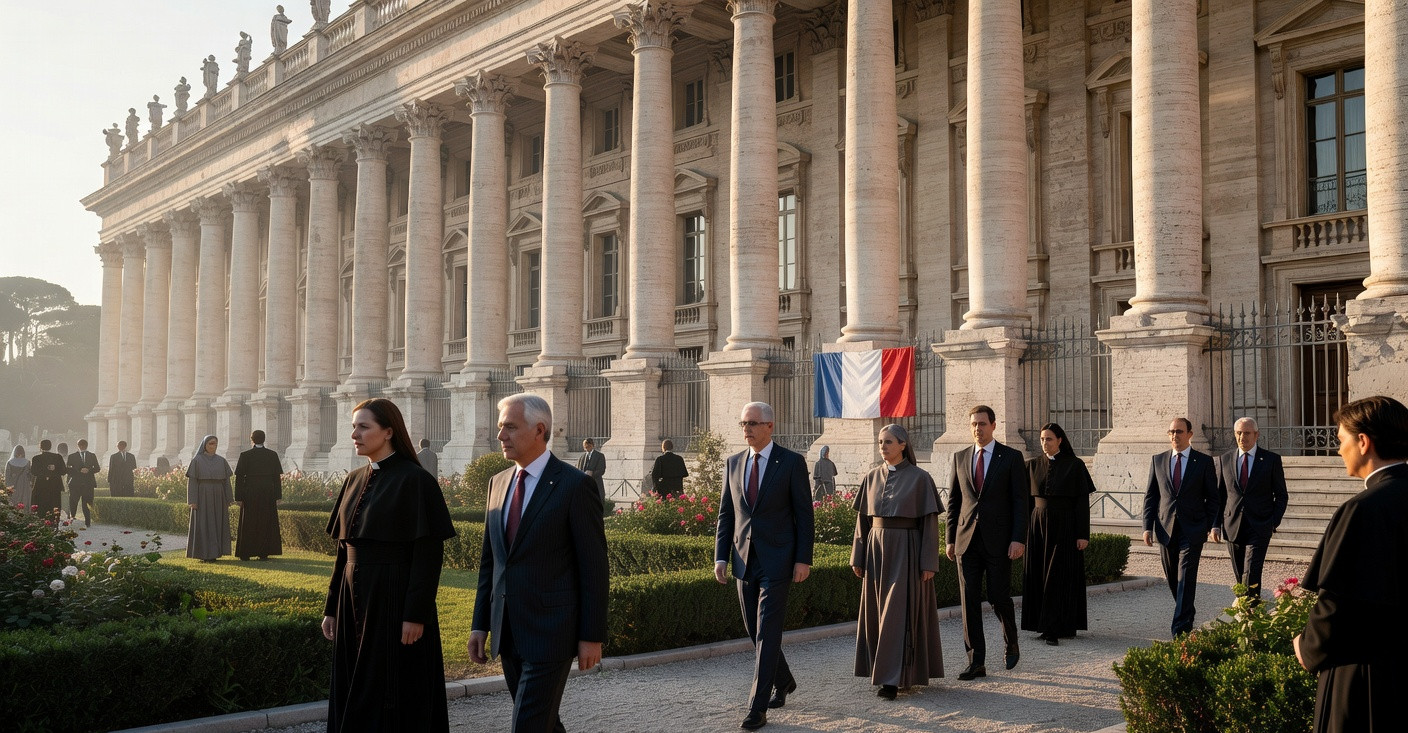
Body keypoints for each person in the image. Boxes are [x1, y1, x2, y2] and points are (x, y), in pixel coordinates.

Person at [469, 393, 609, 733]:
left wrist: (592, 635)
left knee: (528, 724)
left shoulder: (576, 485)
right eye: (501, 427)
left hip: (552, 632)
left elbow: (594, 567)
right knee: (544, 722)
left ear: (539, 430)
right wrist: (480, 623)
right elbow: (492, 562)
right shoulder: (498, 483)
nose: (501, 435)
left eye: (510, 427)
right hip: (509, 629)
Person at [323, 398, 455, 732]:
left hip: (393, 598)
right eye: (354, 427)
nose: (355, 434)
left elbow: (428, 556)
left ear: (389, 432)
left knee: (390, 687)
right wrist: (331, 608)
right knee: (354, 681)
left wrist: (415, 614)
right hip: (352, 596)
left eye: (363, 427)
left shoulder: (416, 480)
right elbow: (344, 551)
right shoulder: (353, 479)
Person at [1294, 395, 1408, 733]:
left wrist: (1307, 648)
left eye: (1341, 439)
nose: (1338, 449)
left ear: (1363, 441)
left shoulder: (1362, 508)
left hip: (1367, 676)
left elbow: (1337, 600)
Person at [714, 401, 815, 730]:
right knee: (755, 631)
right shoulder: (733, 463)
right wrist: (720, 557)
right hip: (744, 561)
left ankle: (757, 707)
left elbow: (804, 516)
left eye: (753, 423)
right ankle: (784, 680)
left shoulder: (791, 462)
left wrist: (803, 559)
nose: (747, 429)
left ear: (770, 426)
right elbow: (726, 516)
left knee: (768, 632)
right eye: (743, 423)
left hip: (779, 561)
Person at [851, 424, 943, 700]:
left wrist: (928, 562)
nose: (883, 446)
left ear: (903, 445)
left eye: (888, 441)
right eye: (880, 442)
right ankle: (887, 674)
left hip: (907, 550)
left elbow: (929, 523)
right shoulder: (871, 477)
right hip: (876, 552)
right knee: (879, 614)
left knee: (896, 614)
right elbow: (862, 523)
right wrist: (858, 556)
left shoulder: (920, 478)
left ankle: (891, 681)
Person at [946, 404, 1027, 680]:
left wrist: (1018, 539)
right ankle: (976, 661)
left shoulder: (1011, 457)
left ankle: (1011, 640)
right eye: (973, 424)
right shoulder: (959, 457)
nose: (977, 429)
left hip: (1000, 541)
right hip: (966, 541)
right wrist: (949, 540)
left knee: (998, 596)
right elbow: (954, 502)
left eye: (982, 424)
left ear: (993, 425)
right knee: (969, 602)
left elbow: (1020, 502)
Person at [1142, 417, 1223, 636]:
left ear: (1190, 434)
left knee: (1186, 576)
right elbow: (1151, 496)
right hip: (1165, 528)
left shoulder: (1203, 462)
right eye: (1171, 432)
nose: (1174, 436)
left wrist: (1207, 524)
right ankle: (1187, 609)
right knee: (1173, 578)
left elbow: (1213, 498)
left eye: (1179, 431)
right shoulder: (1158, 460)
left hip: (1193, 530)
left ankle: (1180, 629)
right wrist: (1147, 526)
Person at [1021, 422, 1095, 646]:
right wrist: (1022, 532)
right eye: (1042, 439)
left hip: (1065, 526)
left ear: (1060, 440)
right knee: (1039, 575)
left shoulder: (1075, 465)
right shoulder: (1032, 465)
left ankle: (1055, 627)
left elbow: (1081, 503)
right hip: (1037, 527)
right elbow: (1025, 502)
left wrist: (1082, 534)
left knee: (1058, 576)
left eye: (1049, 439)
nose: (1045, 443)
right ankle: (1042, 624)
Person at [1216, 417, 1288, 601]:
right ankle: (1244, 609)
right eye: (1239, 433)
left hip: (1260, 525)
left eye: (1247, 433)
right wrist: (1216, 525)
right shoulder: (1224, 460)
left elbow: (1281, 495)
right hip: (1232, 525)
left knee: (1252, 571)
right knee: (1240, 574)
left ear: (1256, 435)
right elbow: (1219, 496)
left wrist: (1273, 522)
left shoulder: (1271, 460)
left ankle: (1252, 611)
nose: (1242, 437)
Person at [234, 430, 283, 561]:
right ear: (264, 439)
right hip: (267, 492)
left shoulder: (245, 455)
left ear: (252, 440)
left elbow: (239, 478)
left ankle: (246, 553)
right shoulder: (272, 455)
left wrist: (238, 497)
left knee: (249, 522)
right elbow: (276, 478)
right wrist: (278, 496)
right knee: (265, 521)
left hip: (250, 491)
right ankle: (263, 552)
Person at [186, 435, 233, 562]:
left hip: (219, 495)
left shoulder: (221, 461)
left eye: (215, 444)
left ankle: (216, 552)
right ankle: (203, 553)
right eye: (211, 444)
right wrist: (193, 501)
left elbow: (226, 482)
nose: (213, 446)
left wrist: (229, 498)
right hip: (202, 495)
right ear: (205, 445)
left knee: (217, 523)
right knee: (203, 523)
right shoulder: (197, 460)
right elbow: (193, 482)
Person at [67, 440, 100, 527]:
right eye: (80, 445)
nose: (82, 446)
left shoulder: (92, 456)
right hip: (75, 483)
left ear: (86, 445)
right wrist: (79, 470)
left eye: (83, 445)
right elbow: (68, 469)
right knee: (73, 502)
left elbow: (97, 468)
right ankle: (72, 518)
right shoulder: (72, 456)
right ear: (78, 445)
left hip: (88, 483)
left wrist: (89, 470)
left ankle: (88, 522)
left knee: (87, 502)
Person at [29, 440, 66, 518]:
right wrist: (55, 468)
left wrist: (43, 473)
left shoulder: (36, 458)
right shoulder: (58, 457)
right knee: (55, 505)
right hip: (55, 485)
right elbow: (64, 471)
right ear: (51, 446)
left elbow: (33, 472)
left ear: (40, 447)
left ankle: (41, 523)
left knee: (41, 506)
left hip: (41, 485)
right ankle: (54, 523)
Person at [576, 437, 606, 508]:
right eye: (585, 447)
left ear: (592, 445)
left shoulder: (600, 456)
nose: (586, 448)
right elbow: (578, 469)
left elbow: (602, 470)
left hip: (596, 484)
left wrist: (591, 474)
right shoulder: (581, 457)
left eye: (588, 446)